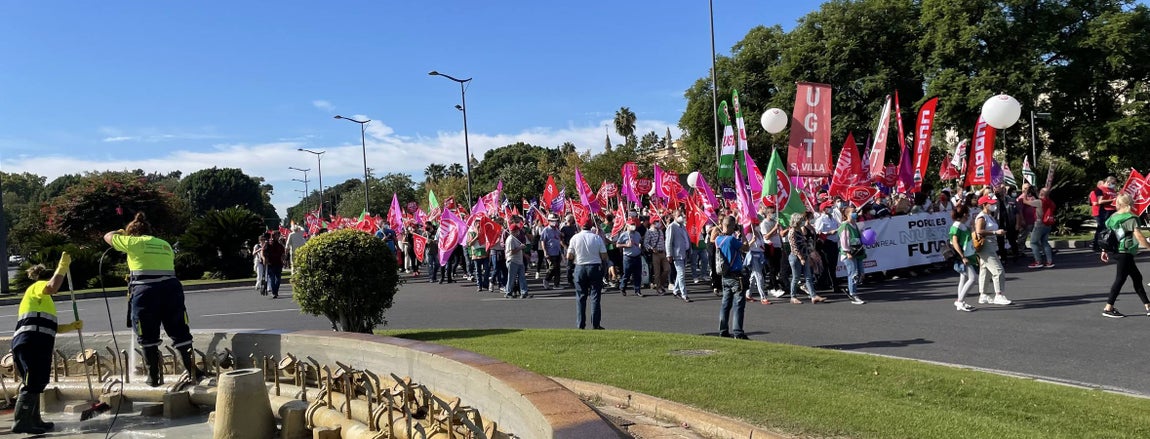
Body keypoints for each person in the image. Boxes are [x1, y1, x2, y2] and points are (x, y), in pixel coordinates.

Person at [105, 212, 204, 387]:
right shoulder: (164, 244)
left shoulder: (133, 242)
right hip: (172, 289)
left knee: (147, 333)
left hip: (145, 291)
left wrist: (120, 232)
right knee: (179, 329)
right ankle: (192, 371)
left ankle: (154, 377)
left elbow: (107, 237)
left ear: (132, 233)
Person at [9, 254, 83, 434]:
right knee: (33, 382)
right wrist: (63, 267)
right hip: (30, 343)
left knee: (39, 381)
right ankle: (21, 422)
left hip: (37, 342)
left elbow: (49, 326)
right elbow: (52, 286)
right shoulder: (38, 286)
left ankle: (34, 420)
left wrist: (71, 327)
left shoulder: (44, 301)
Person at [1099, 194, 1150, 318]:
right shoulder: (1131, 218)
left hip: (1117, 250)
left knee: (1137, 278)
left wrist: (1104, 250)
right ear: (1130, 203)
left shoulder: (1113, 217)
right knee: (1120, 279)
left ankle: (1148, 305)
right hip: (1125, 251)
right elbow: (1138, 235)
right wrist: (1149, 246)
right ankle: (1108, 308)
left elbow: (1107, 235)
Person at [568, 218, 609, 329]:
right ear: (591, 226)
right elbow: (604, 255)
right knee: (595, 296)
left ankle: (580, 324)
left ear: (581, 226)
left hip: (580, 267)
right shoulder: (597, 238)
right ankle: (595, 324)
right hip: (595, 266)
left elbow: (569, 256)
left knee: (581, 297)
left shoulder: (575, 238)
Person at [973, 193, 1013, 305]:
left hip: (991, 244)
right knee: (998, 270)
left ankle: (983, 295)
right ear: (984, 205)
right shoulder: (981, 217)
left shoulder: (990, 216)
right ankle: (999, 295)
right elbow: (979, 231)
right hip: (986, 245)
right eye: (991, 204)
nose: (994, 205)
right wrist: (995, 232)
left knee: (985, 271)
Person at [715, 216, 750, 339]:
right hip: (736, 275)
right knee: (738, 304)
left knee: (725, 304)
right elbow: (746, 248)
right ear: (730, 226)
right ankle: (738, 332)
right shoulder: (731, 240)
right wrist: (743, 233)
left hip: (725, 275)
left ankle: (723, 330)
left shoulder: (718, 239)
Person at [787, 213, 826, 304]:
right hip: (796, 257)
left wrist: (808, 255)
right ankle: (793, 296)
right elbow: (794, 246)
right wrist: (801, 258)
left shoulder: (799, 230)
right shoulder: (792, 231)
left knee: (808, 276)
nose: (802, 222)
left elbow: (804, 243)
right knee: (796, 277)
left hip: (804, 255)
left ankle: (813, 296)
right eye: (800, 220)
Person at [949, 204, 978, 312]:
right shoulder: (956, 226)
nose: (969, 215)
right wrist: (962, 256)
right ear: (965, 214)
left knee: (963, 278)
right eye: (968, 213)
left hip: (968, 254)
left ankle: (960, 301)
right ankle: (960, 301)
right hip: (963, 255)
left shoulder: (962, 225)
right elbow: (955, 243)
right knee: (973, 278)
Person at [838, 206, 867, 305]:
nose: (855, 213)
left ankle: (850, 287)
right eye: (853, 212)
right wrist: (847, 252)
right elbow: (844, 240)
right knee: (853, 273)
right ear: (847, 214)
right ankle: (853, 294)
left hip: (857, 252)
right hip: (849, 253)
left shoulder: (855, 224)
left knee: (860, 273)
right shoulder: (845, 226)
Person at [1023, 187, 1056, 268]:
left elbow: (1025, 201)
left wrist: (1025, 192)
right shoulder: (1051, 202)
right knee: (1045, 242)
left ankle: (1038, 261)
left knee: (1033, 242)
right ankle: (1049, 261)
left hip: (1039, 223)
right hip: (1048, 223)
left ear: (1041, 193)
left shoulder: (1039, 202)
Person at [666, 213, 692, 302]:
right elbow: (668, 241)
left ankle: (676, 291)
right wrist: (669, 254)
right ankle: (684, 294)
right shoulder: (672, 227)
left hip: (684, 253)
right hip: (677, 254)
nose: (681, 217)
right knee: (681, 274)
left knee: (680, 274)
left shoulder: (682, 226)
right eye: (679, 215)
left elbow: (686, 238)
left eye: (682, 215)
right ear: (674, 217)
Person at [616, 217, 644, 296]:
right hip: (628, 257)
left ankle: (637, 290)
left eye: (634, 224)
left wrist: (640, 245)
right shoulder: (624, 235)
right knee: (627, 274)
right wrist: (626, 245)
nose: (633, 226)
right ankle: (622, 287)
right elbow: (617, 244)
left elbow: (640, 241)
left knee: (637, 274)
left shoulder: (637, 234)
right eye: (631, 224)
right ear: (627, 225)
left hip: (637, 256)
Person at [1090, 177, 1118, 252]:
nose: (1114, 185)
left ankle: (1110, 245)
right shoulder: (1099, 190)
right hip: (1103, 212)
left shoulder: (1112, 190)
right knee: (1102, 229)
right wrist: (1112, 200)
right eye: (1113, 183)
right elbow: (1099, 201)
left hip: (1112, 211)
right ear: (1108, 182)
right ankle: (1098, 245)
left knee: (1110, 228)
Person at [504, 219, 530, 299]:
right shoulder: (510, 239)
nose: (518, 232)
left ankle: (524, 292)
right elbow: (511, 252)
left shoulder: (516, 239)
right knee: (511, 278)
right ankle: (508, 293)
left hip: (519, 261)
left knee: (522, 277)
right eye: (517, 230)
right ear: (514, 231)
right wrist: (520, 247)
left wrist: (523, 253)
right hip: (512, 261)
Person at [645, 217, 669, 295]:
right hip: (655, 254)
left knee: (667, 269)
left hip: (663, 253)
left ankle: (660, 284)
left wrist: (666, 252)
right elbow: (646, 243)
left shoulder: (660, 231)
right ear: (653, 223)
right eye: (657, 221)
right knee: (657, 272)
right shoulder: (649, 232)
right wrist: (652, 248)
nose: (659, 223)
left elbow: (663, 242)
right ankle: (658, 288)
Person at [465, 222, 490, 292]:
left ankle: (485, 283)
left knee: (487, 270)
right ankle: (479, 285)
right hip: (476, 255)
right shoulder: (471, 233)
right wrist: (476, 237)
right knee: (478, 271)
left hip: (485, 254)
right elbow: (469, 244)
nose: (479, 228)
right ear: (475, 226)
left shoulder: (484, 233)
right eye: (478, 226)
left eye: (481, 226)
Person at [541, 214, 564, 290]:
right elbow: (543, 241)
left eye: (556, 221)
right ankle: (546, 279)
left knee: (557, 269)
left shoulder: (556, 230)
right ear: (549, 221)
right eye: (553, 221)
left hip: (557, 251)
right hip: (550, 252)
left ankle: (556, 284)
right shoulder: (546, 230)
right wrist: (545, 252)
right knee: (553, 267)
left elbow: (559, 237)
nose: (555, 222)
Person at [262, 230, 286, 299]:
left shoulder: (280, 245)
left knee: (278, 279)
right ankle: (274, 292)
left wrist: (283, 259)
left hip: (278, 263)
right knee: (272, 278)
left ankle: (276, 291)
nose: (278, 237)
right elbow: (263, 251)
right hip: (271, 263)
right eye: (276, 235)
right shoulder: (268, 244)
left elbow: (283, 254)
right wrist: (264, 259)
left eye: (278, 235)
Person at [560, 215, 580, 287]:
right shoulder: (564, 229)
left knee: (576, 264)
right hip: (568, 248)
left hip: (576, 248)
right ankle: (569, 280)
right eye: (572, 219)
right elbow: (561, 240)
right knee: (569, 265)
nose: (573, 220)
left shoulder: (575, 227)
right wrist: (566, 247)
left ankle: (576, 279)